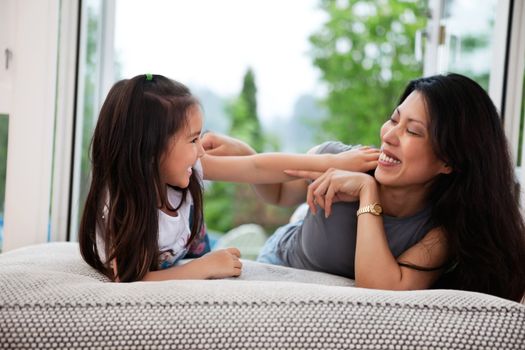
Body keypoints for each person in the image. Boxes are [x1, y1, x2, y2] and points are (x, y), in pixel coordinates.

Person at [204, 73, 525, 303]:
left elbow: (379, 290)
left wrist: (367, 192)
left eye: (412, 131)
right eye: (393, 119)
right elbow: (275, 192)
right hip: (282, 261)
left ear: (448, 161)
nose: (388, 134)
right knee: (303, 209)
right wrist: (243, 152)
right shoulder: (342, 159)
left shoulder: (440, 229)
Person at [79, 74, 379, 282]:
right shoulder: (118, 209)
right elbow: (131, 280)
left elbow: (257, 167)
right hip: (188, 257)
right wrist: (203, 267)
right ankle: (288, 227)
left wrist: (330, 162)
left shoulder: (187, 166)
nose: (201, 149)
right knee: (239, 247)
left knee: (239, 244)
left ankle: (295, 221)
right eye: (193, 139)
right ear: (151, 150)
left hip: (190, 248)